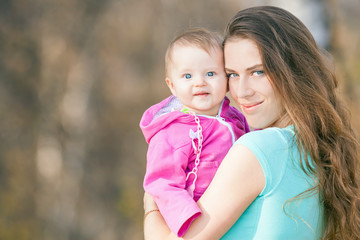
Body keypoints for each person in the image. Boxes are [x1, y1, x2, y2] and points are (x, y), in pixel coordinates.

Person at [143, 6, 360, 240]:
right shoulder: (317, 145)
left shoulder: (257, 150)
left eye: (257, 72)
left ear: (291, 70)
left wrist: (151, 206)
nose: (241, 92)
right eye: (232, 75)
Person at [140, 28, 250, 237]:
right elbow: (161, 182)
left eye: (210, 73)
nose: (199, 82)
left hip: (238, 210)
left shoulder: (235, 117)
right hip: (200, 219)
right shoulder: (171, 132)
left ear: (226, 79)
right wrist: (188, 217)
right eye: (187, 76)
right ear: (172, 86)